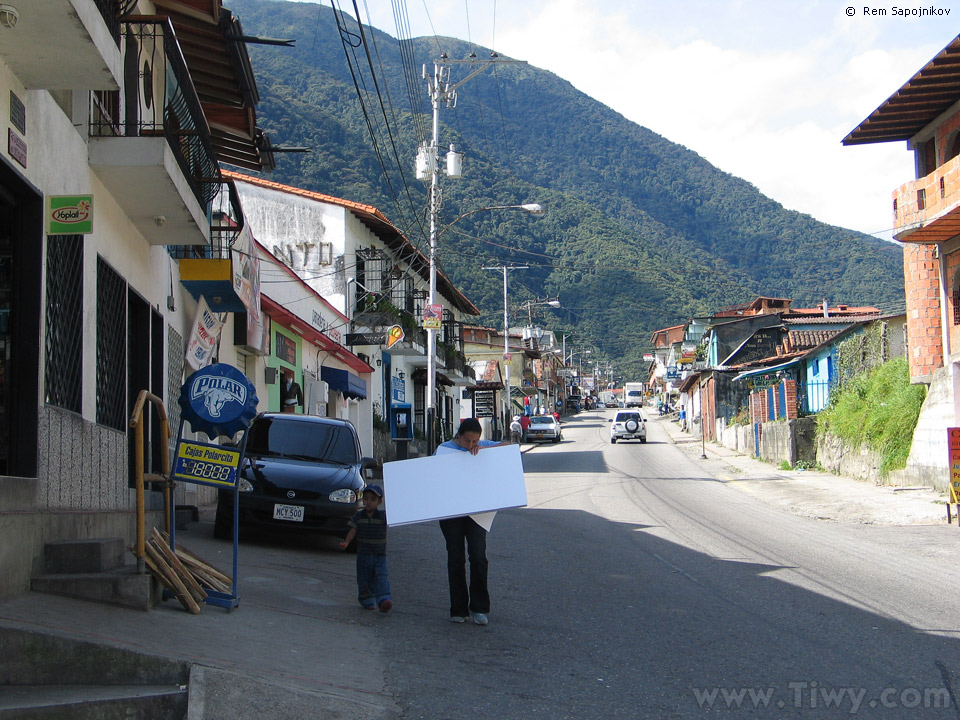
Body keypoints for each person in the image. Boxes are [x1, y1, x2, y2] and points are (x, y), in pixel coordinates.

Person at [435, 418, 506, 625]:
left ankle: (479, 607)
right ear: (458, 436)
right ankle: (458, 609)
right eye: (467, 441)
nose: (471, 446)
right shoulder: (443, 450)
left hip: (477, 513)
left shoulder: (481, 447)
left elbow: (510, 448)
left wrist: (484, 450)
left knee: (478, 556)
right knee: (455, 558)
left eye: (475, 441)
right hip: (451, 513)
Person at [340, 484, 392, 613]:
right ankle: (366, 600)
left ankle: (384, 599)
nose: (368, 502)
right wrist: (346, 542)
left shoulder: (383, 516)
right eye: (366, 498)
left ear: (379, 501)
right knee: (364, 578)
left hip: (379, 555)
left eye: (373, 499)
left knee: (381, 577)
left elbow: (396, 515)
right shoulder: (359, 516)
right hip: (363, 554)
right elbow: (353, 530)